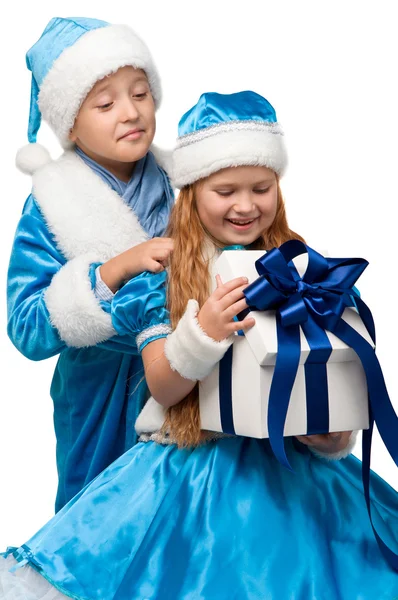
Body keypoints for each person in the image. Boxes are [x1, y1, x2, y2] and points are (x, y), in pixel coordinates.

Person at [1, 91, 397, 599]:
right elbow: (164, 389)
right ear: (190, 192)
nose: (246, 205)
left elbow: (332, 377)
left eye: (261, 187)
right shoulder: (161, 281)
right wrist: (203, 332)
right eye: (225, 189)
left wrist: (330, 436)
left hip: (295, 474)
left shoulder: (307, 273)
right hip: (192, 476)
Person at [7, 17, 174, 511]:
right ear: (69, 124)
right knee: (100, 527)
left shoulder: (184, 181)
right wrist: (109, 272)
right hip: (98, 399)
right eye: (105, 103)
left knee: (183, 530)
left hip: (188, 382)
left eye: (140, 93)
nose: (130, 112)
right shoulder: (52, 202)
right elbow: (26, 326)